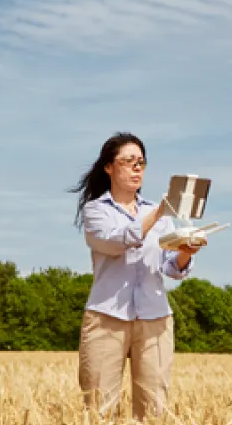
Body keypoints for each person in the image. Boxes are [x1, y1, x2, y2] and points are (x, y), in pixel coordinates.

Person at [69, 131, 206, 421]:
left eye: (141, 162)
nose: (137, 168)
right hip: (107, 318)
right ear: (109, 166)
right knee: (98, 409)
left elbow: (169, 268)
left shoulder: (159, 213)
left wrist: (186, 252)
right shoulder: (96, 211)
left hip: (155, 318)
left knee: (154, 410)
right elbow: (115, 242)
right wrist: (156, 216)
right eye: (129, 161)